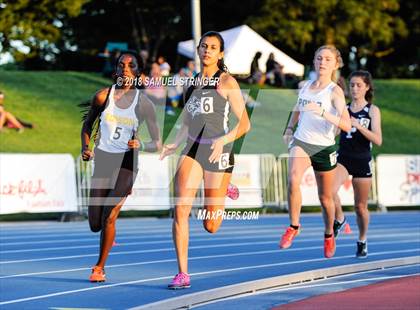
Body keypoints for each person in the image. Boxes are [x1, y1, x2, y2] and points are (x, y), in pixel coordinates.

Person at [160, 31, 251, 289]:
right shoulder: (192, 83)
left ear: (220, 54)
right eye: (204, 46)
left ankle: (224, 187)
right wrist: (174, 143)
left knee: (211, 225)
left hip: (218, 151)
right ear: (198, 51)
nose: (207, 51)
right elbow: (187, 121)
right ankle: (183, 273)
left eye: (213, 47)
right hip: (192, 149)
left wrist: (223, 140)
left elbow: (245, 124)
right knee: (180, 211)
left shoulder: (227, 82)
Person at [81, 51, 161, 282]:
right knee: (95, 224)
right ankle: (109, 232)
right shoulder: (102, 97)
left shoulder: (144, 104)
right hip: (104, 160)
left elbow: (157, 143)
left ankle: (99, 267)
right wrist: (85, 148)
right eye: (121, 65)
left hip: (127, 162)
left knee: (109, 215)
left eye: (130, 65)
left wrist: (141, 144)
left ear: (138, 73)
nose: (125, 69)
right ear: (115, 70)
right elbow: (87, 125)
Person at [279, 45, 351, 258]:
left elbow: (346, 125)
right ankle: (293, 226)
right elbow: (297, 109)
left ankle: (329, 234)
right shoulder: (305, 85)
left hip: (324, 146)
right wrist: (289, 129)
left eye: (327, 59)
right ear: (314, 61)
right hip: (301, 142)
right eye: (319, 58)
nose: (322, 62)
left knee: (326, 197)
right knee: (293, 179)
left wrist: (322, 112)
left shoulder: (335, 91)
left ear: (335, 64)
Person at [333, 70, 382, 258]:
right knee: (329, 190)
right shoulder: (343, 108)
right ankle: (340, 219)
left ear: (367, 87)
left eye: (359, 85)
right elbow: (335, 133)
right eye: (352, 85)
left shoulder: (372, 110)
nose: (354, 89)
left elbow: (378, 140)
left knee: (360, 207)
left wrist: (359, 125)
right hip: (343, 157)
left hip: (362, 159)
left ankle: (362, 239)